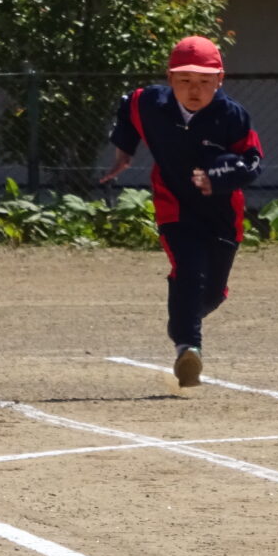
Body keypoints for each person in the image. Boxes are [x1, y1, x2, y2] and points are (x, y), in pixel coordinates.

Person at [100, 35, 262, 388]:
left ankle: (183, 321)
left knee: (213, 292)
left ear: (220, 80)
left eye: (205, 81)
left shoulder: (231, 116)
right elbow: (127, 106)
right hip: (174, 204)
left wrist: (217, 176)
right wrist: (124, 150)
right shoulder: (149, 103)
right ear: (169, 78)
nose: (194, 90)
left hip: (222, 213)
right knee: (189, 269)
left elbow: (252, 163)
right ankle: (189, 348)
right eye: (185, 80)